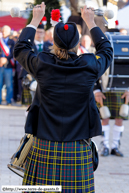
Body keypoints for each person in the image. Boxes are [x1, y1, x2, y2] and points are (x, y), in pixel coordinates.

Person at [13, 2, 113, 192]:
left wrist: (35, 19)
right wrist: (91, 22)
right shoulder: (89, 66)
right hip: (77, 146)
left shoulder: (42, 64)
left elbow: (21, 50)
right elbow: (107, 51)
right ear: (77, 44)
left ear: (55, 43)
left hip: (44, 145)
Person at [0, 25, 15, 105]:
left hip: (8, 66)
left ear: (9, 32)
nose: (3, 32)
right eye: (2, 30)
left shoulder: (12, 42)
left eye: (5, 31)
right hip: (0, 65)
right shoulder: (0, 41)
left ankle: (9, 100)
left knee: (9, 85)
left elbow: (12, 53)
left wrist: (6, 59)